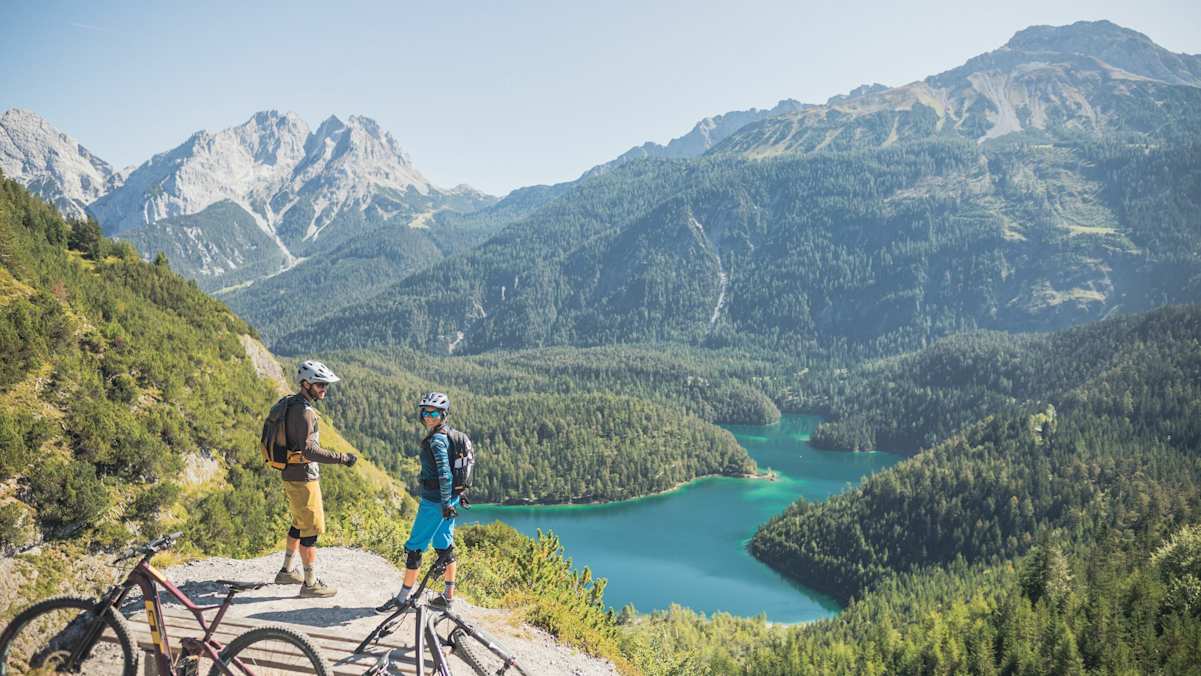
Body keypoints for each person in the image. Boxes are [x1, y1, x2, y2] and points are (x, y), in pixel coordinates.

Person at [274, 360, 358, 598]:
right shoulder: (305, 412)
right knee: (310, 530)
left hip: (290, 473)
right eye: (320, 385)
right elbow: (309, 451)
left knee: (299, 522)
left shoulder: (291, 403)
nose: (324, 389)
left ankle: (286, 571)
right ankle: (310, 584)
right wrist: (342, 458)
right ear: (306, 384)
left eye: (325, 385)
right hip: (303, 477)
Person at [377, 392, 466, 612]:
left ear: (443, 414)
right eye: (425, 412)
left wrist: (444, 503)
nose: (428, 416)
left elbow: (445, 473)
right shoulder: (450, 434)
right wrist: (450, 502)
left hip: (436, 503)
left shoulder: (436, 441)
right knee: (444, 547)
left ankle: (402, 599)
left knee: (415, 548)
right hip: (449, 501)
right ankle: (448, 597)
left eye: (434, 412)